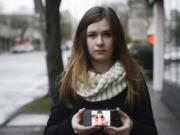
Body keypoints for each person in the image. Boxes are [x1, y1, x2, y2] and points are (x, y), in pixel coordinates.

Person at [44, 6, 158, 135]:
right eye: (92, 35)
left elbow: (152, 132)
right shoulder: (69, 80)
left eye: (107, 34)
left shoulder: (134, 78)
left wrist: (132, 128)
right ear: (83, 39)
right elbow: (49, 132)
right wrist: (71, 126)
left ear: (117, 39)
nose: (100, 42)